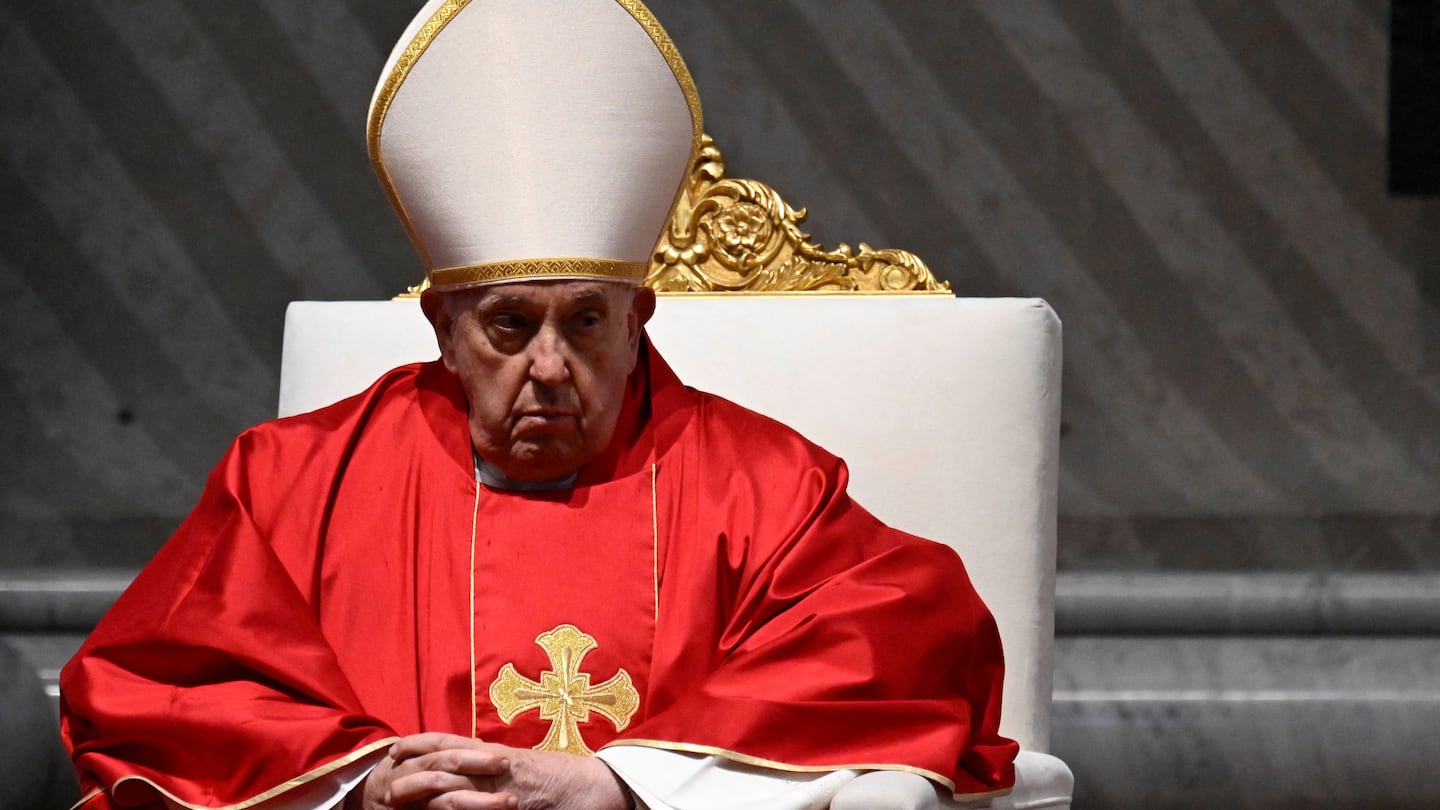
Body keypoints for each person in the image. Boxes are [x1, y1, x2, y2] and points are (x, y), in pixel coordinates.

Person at [60, 2, 1019, 809]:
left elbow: (912, 634)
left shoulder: (761, 485)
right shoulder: (294, 481)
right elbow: (154, 685)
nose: (553, 367)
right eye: (510, 327)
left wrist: (625, 781)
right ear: (442, 325)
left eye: (588, 324)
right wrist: (363, 784)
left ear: (640, 316)